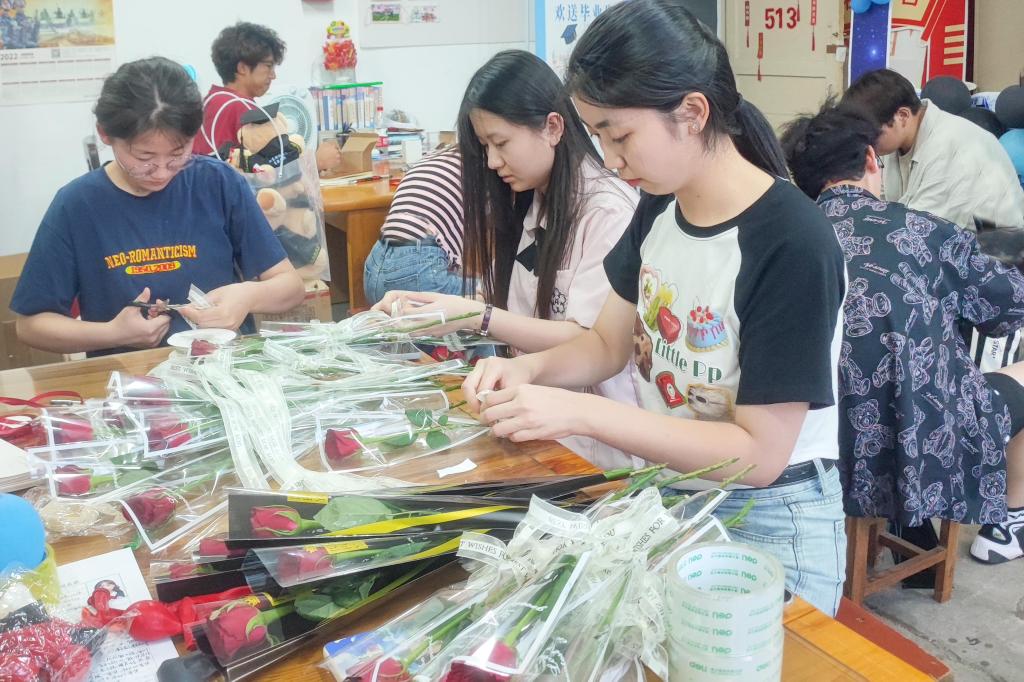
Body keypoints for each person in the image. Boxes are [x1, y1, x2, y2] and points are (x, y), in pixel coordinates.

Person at [461, 0, 849, 616]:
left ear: (692, 113)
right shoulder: (660, 205)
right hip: (673, 495)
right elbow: (606, 344)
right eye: (599, 137)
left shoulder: (791, 240)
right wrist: (527, 370)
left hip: (768, 519)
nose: (611, 160)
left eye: (619, 136)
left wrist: (581, 413)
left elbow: (758, 455)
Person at [373, 50, 641, 470]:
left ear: (552, 127)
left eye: (501, 144)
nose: (493, 162)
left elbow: (594, 342)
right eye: (485, 147)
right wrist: (427, 308)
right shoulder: (532, 200)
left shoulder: (606, 210)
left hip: (594, 448)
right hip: (540, 426)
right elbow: (513, 301)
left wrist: (477, 317)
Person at [781, 101, 1024, 565]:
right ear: (871, 160)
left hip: (809, 437)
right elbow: (1009, 304)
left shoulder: (787, 238)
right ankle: (1011, 523)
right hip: (917, 441)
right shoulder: (922, 230)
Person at [11, 57, 305, 357]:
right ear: (105, 134)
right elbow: (31, 325)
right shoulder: (77, 204)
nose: (162, 172)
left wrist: (248, 296)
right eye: (144, 158)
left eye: (178, 154)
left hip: (220, 369)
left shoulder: (218, 183)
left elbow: (291, 287)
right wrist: (112, 333)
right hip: (127, 376)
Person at [842, 69, 1024, 232]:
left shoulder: (953, 146)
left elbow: (919, 230)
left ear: (902, 116)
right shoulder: (895, 142)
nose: (867, 142)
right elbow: (877, 206)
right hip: (944, 241)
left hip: (994, 252)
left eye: (871, 134)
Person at [194, 22, 342, 172]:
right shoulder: (241, 107)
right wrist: (316, 162)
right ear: (242, 68)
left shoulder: (212, 100)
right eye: (268, 66)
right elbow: (269, 176)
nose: (273, 75)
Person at [363, 146, 466, 305]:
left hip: (374, 266)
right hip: (418, 272)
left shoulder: (435, 155)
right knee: (491, 292)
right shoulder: (479, 165)